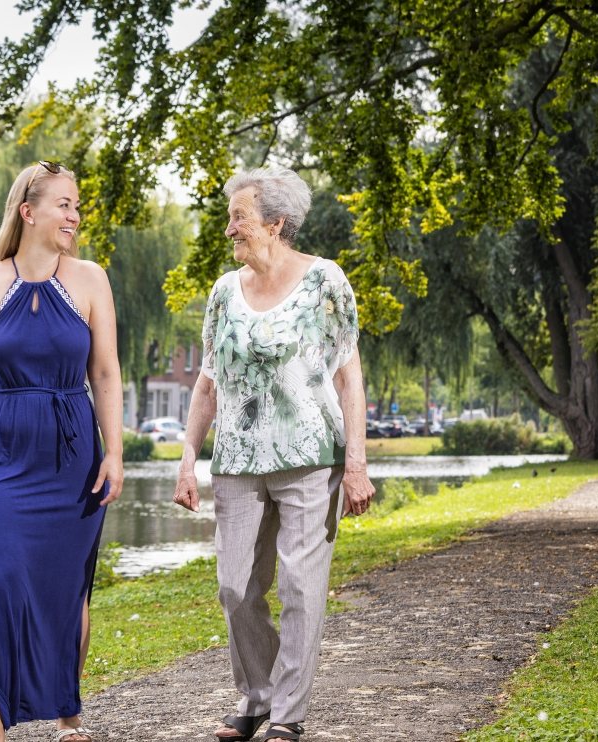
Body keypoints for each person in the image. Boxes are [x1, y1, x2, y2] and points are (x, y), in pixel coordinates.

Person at [172, 167, 376, 742]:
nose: (229, 227)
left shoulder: (325, 282)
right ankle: (257, 695)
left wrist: (356, 463)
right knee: (235, 587)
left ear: (276, 223)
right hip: (236, 460)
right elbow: (207, 383)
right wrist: (188, 458)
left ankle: (286, 715)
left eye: (239, 216)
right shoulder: (222, 292)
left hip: (312, 456)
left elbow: (349, 379)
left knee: (300, 588)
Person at [0, 161, 125, 742]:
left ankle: (69, 716)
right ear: (28, 211)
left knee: (68, 588)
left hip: (72, 458)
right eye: (65, 204)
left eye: (78, 206)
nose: (75, 215)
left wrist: (113, 452)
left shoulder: (91, 279)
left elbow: (107, 373)